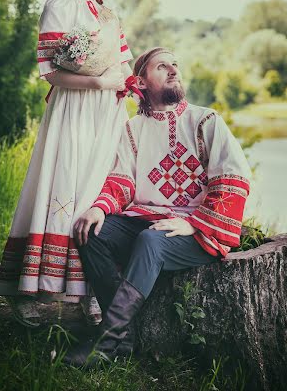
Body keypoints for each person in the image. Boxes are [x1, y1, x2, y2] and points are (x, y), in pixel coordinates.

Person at [64, 46, 251, 368]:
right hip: (145, 219)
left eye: (176, 64)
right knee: (92, 231)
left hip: (197, 231)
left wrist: (194, 223)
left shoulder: (205, 120)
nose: (174, 70)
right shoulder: (131, 129)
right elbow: (122, 181)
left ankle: (107, 342)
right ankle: (124, 340)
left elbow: (233, 179)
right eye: (163, 66)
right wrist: (99, 208)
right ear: (142, 81)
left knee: (152, 240)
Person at [0, 0, 137, 326]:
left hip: (108, 110)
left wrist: (126, 85)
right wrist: (97, 83)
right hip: (75, 107)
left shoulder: (101, 7)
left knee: (98, 187)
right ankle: (29, 286)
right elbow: (50, 72)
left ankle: (90, 289)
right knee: (65, 184)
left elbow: (123, 60)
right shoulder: (56, 7)